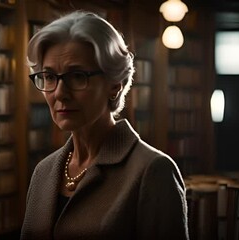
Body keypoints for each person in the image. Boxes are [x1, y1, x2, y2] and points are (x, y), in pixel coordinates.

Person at [20, 10, 189, 240]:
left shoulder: (153, 171)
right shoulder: (44, 171)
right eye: (49, 77)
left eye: (77, 76)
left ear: (115, 85)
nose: (59, 93)